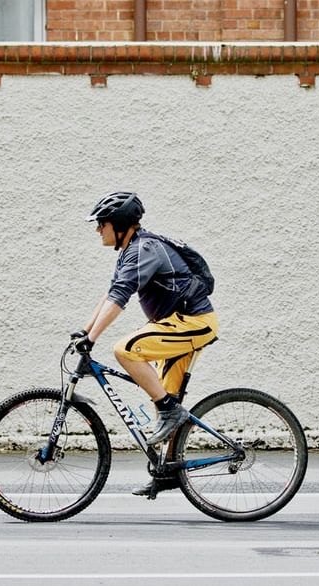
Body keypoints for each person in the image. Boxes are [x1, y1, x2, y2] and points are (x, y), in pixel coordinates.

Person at [71, 191, 219, 496]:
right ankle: (168, 471)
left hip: (192, 322)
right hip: (179, 323)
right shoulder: (131, 250)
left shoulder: (144, 249)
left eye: (102, 223)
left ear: (119, 224)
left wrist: (93, 338)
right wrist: (85, 331)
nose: (98, 229)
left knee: (125, 350)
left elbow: (119, 298)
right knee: (165, 398)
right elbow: (111, 293)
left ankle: (170, 412)